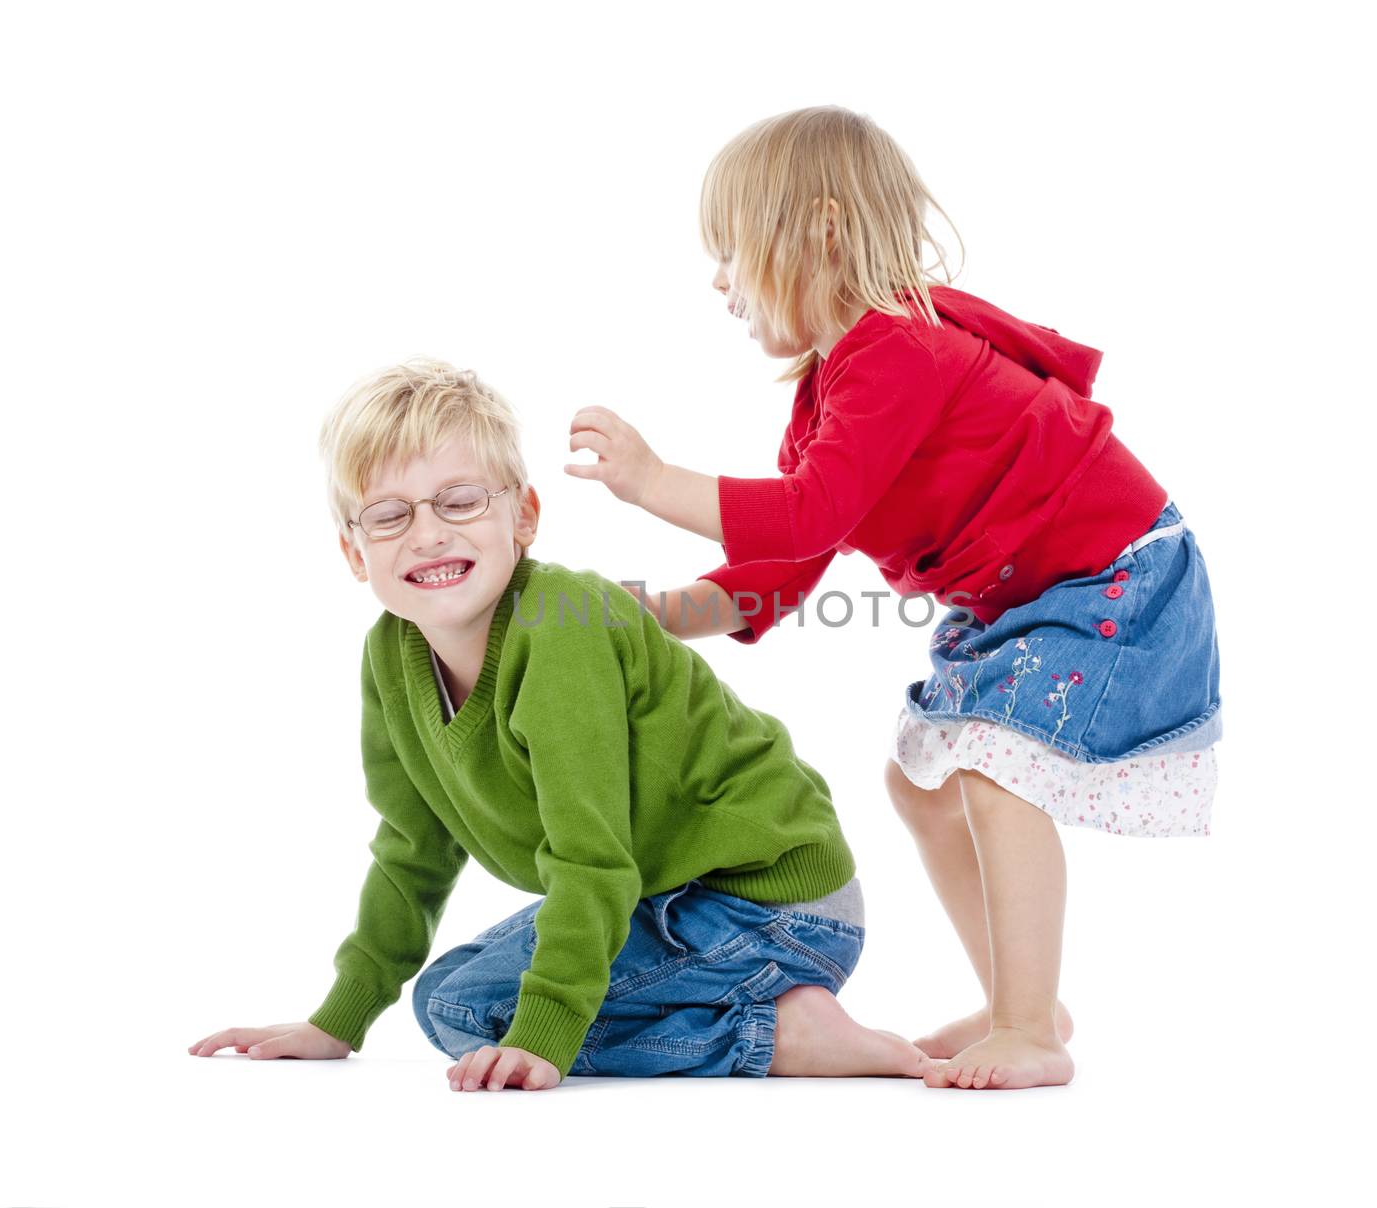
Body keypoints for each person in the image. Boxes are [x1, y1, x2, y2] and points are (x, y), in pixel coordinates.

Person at [565, 105, 1222, 1091]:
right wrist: (656, 616)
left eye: (730, 251)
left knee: (999, 771)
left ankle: (1027, 1029)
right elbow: (784, 564)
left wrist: (655, 480)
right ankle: (1026, 1001)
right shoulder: (832, 392)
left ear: (820, 230)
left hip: (1111, 572)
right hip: (1025, 592)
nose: (717, 281)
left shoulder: (896, 349)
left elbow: (802, 511)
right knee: (918, 783)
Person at [188, 358, 930, 1090]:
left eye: (460, 502)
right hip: (661, 893)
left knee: (473, 1011)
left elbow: (592, 857)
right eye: (389, 515)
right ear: (356, 553)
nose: (427, 535)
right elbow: (412, 850)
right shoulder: (390, 655)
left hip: (775, 901)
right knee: (450, 994)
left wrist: (546, 1037)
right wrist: (337, 1021)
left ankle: (774, 1033)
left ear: (524, 518)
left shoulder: (559, 626)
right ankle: (758, 1013)